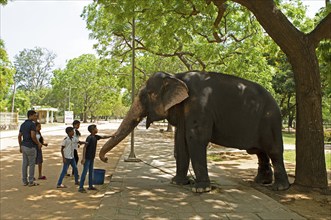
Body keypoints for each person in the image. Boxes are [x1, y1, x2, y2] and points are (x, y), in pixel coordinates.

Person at [78, 124, 112, 193]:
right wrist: (83, 158)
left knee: (91, 172)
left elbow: (103, 137)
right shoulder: (89, 138)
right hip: (87, 158)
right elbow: (85, 147)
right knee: (84, 172)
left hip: (91, 157)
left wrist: (111, 136)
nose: (97, 129)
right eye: (96, 128)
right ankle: (81, 187)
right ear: (93, 130)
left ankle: (90, 186)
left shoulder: (95, 137)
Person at [18, 110, 42, 186]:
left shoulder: (23, 124)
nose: (36, 117)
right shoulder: (32, 125)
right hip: (30, 146)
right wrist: (38, 143)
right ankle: (31, 181)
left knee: (24, 163)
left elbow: (19, 136)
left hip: (24, 145)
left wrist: (20, 146)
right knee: (32, 164)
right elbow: (33, 136)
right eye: (35, 116)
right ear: (30, 115)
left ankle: (24, 181)